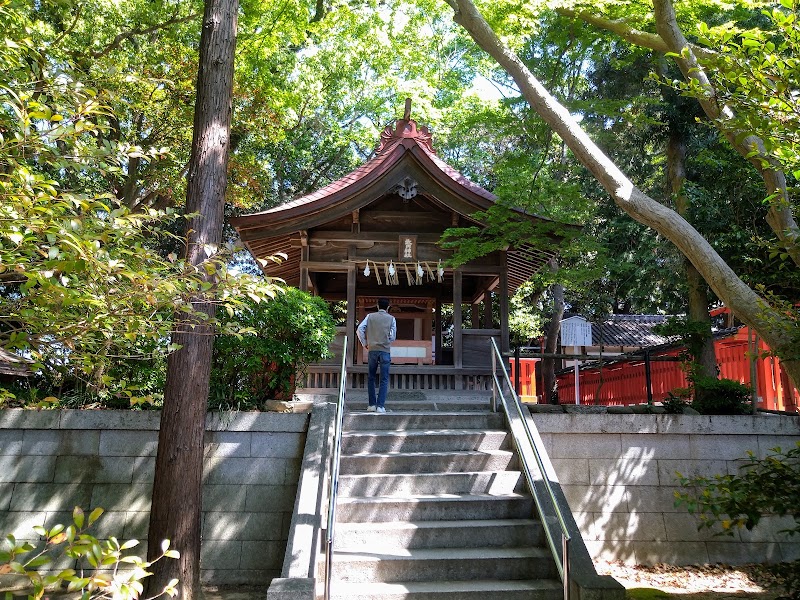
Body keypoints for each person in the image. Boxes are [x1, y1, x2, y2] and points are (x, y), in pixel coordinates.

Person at [356, 298, 396, 413]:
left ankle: (371, 405)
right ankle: (380, 406)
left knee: (371, 377)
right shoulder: (392, 319)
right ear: (388, 307)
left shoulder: (370, 317)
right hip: (385, 351)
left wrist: (365, 343)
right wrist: (387, 340)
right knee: (384, 379)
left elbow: (359, 329)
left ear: (377, 306)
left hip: (372, 349)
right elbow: (392, 336)